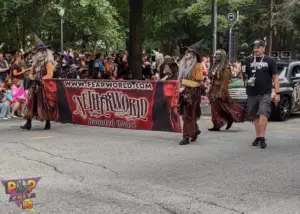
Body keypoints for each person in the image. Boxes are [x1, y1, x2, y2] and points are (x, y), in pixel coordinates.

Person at [244, 39, 279, 149]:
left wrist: (277, 93)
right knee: (254, 116)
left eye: (259, 47)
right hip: (252, 92)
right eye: (255, 47)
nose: (256, 49)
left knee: (263, 113)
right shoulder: (248, 60)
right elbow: (245, 76)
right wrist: (242, 71)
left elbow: (275, 77)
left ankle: (262, 137)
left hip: (265, 93)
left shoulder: (270, 60)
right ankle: (258, 136)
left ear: (263, 48)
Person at [21, 35, 58, 130]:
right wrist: (32, 77)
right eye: (39, 51)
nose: (40, 53)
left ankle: (48, 122)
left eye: (42, 51)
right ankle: (28, 123)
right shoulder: (35, 63)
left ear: (45, 52)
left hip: (43, 86)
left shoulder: (48, 62)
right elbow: (31, 73)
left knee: (45, 104)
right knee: (31, 103)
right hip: (34, 86)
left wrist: (41, 79)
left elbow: (50, 74)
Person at [208, 49, 246, 131]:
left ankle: (230, 118)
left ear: (222, 56)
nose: (215, 56)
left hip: (220, 88)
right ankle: (216, 124)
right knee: (214, 107)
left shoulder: (226, 67)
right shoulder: (214, 65)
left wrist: (222, 91)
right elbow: (211, 76)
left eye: (217, 55)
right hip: (213, 88)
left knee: (226, 106)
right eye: (215, 54)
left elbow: (225, 81)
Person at [177, 39, 205, 145]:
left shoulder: (198, 66)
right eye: (186, 52)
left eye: (189, 52)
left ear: (194, 54)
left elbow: (199, 82)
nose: (186, 54)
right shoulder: (183, 65)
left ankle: (186, 137)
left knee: (188, 114)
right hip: (183, 91)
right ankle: (195, 131)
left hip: (193, 93)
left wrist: (184, 82)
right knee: (186, 114)